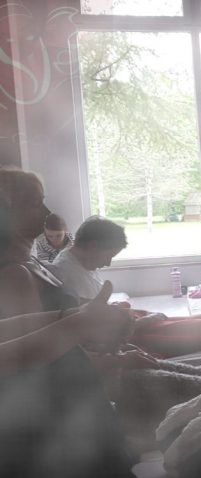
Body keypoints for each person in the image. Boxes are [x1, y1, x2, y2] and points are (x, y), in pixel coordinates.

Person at [0, 167, 138, 477]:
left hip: (75, 400)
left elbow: (39, 327)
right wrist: (101, 352)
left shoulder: (30, 262)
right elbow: (28, 363)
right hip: (58, 421)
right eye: (34, 203)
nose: (46, 213)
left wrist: (87, 318)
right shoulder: (11, 274)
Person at [50, 217, 127, 301]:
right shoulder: (67, 274)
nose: (108, 264)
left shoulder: (83, 263)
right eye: (108, 256)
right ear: (93, 246)